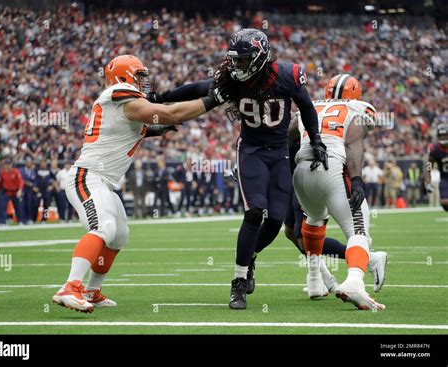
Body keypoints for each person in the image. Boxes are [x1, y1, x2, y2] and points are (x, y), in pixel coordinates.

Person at [150, 29, 328, 310]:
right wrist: (162, 97)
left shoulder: (286, 75)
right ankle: (238, 283)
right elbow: (200, 87)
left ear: (259, 58)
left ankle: (251, 256)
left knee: (276, 220)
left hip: (280, 153)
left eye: (244, 60)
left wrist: (316, 139)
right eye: (236, 60)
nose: (238, 66)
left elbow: (307, 107)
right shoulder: (233, 80)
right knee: (255, 211)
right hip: (251, 151)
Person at [52, 54, 224, 313]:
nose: (144, 81)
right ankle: (70, 287)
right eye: (140, 76)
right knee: (104, 227)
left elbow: (148, 126)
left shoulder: (124, 105)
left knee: (119, 236)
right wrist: (212, 100)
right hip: (87, 176)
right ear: (124, 76)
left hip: (104, 182)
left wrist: (161, 127)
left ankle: (91, 290)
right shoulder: (120, 95)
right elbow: (168, 113)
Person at [292, 74, 386, 310]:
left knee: (313, 219)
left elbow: (288, 134)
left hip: (301, 171)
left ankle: (314, 280)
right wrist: (356, 179)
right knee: (359, 232)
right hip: (332, 167)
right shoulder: (358, 108)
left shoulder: (311, 105)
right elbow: (353, 142)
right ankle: (354, 281)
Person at [0, 157, 23, 226]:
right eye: (5, 164)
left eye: (7, 164)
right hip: (6, 192)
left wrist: (20, 190)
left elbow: (21, 181)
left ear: (11, 165)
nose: (6, 166)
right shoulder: (3, 172)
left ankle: (20, 221)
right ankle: (2, 222)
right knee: (2, 206)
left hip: (15, 192)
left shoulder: (16, 171)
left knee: (18, 207)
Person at [426, 124, 448, 211]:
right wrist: (428, 179)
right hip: (445, 177)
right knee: (444, 203)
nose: (443, 138)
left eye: (445, 135)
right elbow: (429, 164)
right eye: (441, 136)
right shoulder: (434, 148)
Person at [19, 156, 37, 224]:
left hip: (30, 191)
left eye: (30, 162)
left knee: (29, 205)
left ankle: (29, 219)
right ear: (26, 163)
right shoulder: (21, 170)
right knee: (21, 205)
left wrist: (33, 186)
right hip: (22, 190)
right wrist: (28, 183)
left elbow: (35, 181)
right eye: (28, 162)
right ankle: (22, 220)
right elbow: (20, 179)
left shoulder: (33, 171)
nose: (29, 163)